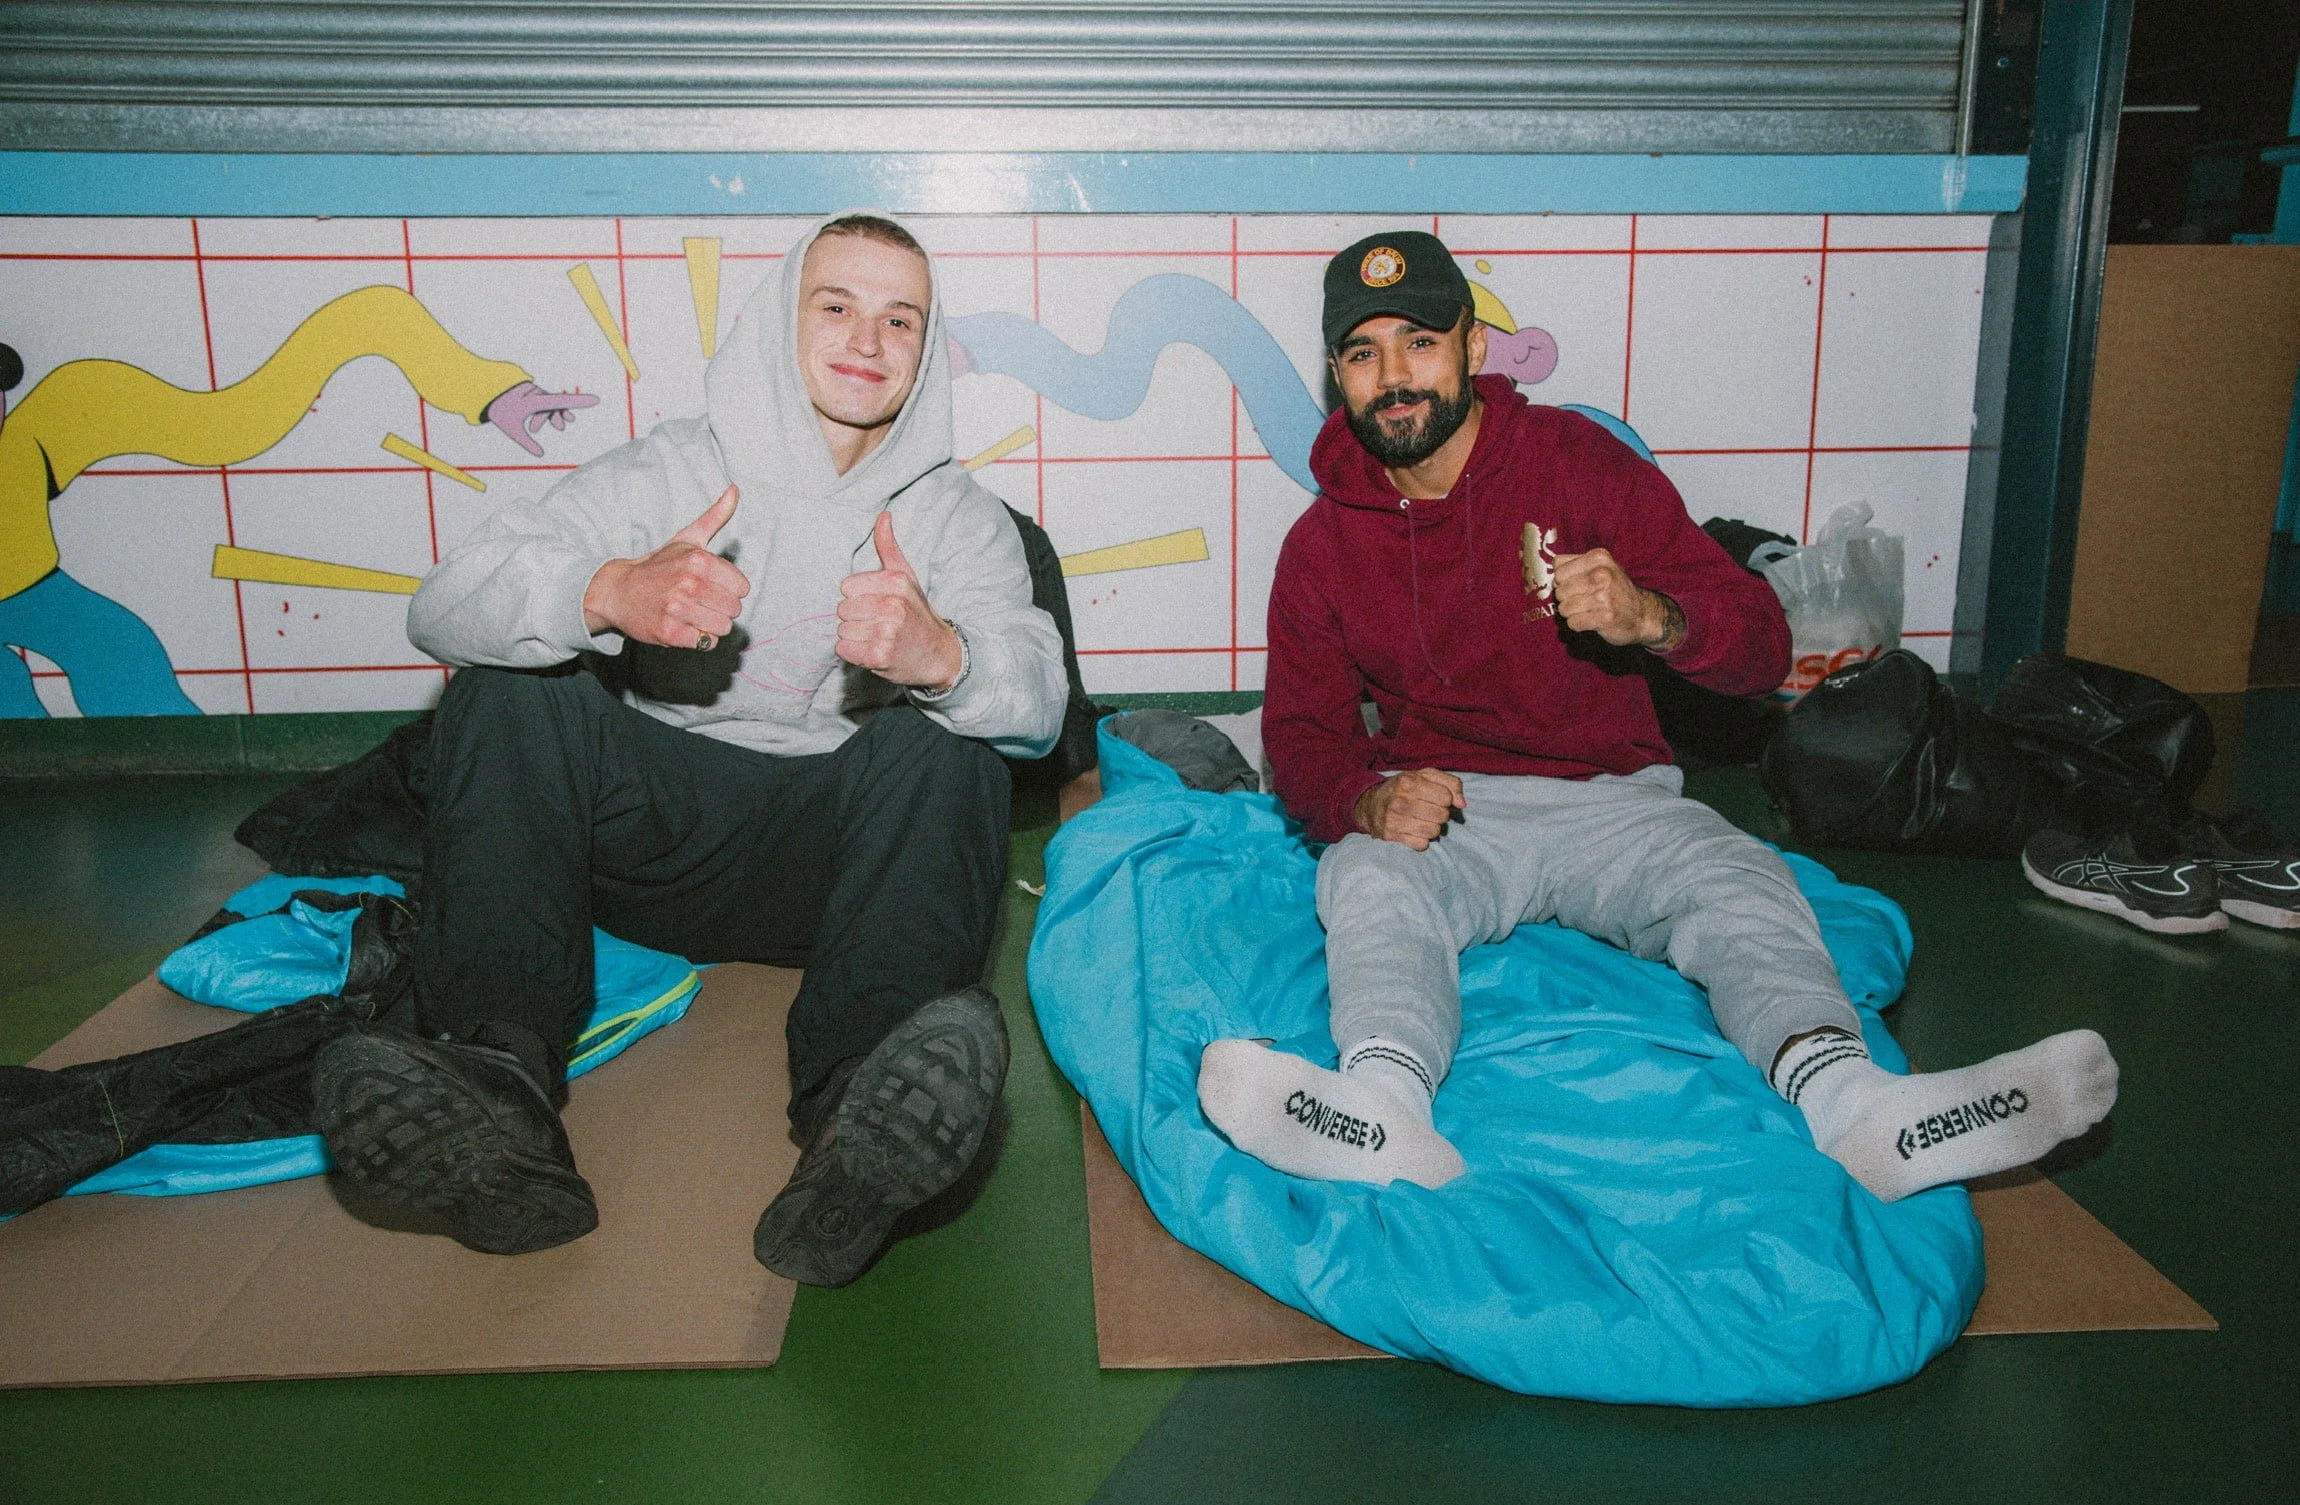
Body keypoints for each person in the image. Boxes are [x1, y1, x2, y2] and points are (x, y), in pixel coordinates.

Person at [1197, 230, 2119, 1202]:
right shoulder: (1318, 545)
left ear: (1471, 347)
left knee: (1735, 872)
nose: (1393, 375)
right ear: (1336, 375)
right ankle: (1380, 1107)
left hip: (1614, 798)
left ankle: (1857, 1105)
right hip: (1449, 812)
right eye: (1361, 352)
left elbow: (1761, 645)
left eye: (1418, 342)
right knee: (1362, 875)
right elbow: (1300, 735)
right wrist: (1364, 800)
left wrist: (1653, 618)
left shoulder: (1578, 465)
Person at [310, 213, 1066, 1285]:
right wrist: (605, 590)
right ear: (780, 319)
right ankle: (497, 1087)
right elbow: (443, 604)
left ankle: (857, 1126)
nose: (868, 338)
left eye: (901, 317)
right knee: (508, 684)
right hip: (642, 846)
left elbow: (1041, 704)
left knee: (954, 741)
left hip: (840, 873)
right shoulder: (670, 468)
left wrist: (941, 654)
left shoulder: (955, 517)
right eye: (836, 305)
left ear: (925, 347)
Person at [0, 296, 594, 718]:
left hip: (30, 591)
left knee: (117, 652)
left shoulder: (52, 418)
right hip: (32, 594)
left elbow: (356, 328)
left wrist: (493, 393)